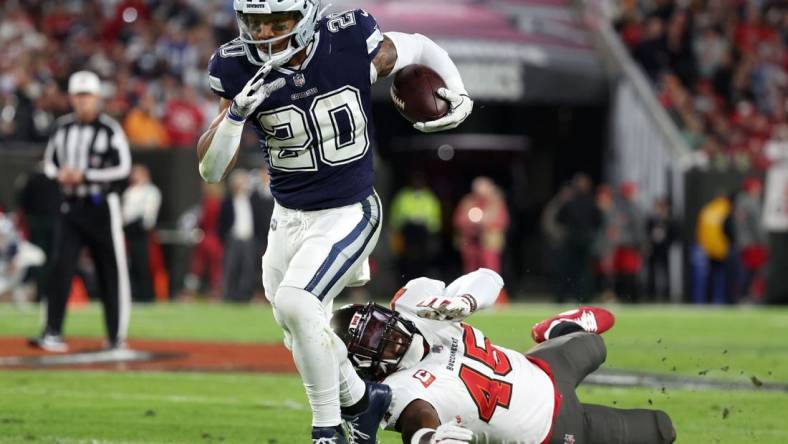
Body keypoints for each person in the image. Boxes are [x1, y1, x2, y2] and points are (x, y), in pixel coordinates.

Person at [196, 1, 474, 442]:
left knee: (297, 303)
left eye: (278, 22)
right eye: (255, 22)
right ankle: (364, 402)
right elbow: (210, 171)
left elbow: (418, 47)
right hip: (287, 216)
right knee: (298, 327)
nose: (265, 33)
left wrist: (456, 92)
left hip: (349, 208)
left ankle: (327, 429)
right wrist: (234, 117)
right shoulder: (236, 66)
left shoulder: (345, 41)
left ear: (305, 16)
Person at [331, 269, 677, 444]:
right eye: (376, 341)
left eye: (381, 323)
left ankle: (556, 330)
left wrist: (464, 300)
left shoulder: (414, 305)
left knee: (598, 340)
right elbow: (419, 422)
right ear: (365, 364)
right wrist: (429, 439)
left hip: (542, 365)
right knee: (662, 428)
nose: (391, 335)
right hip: (551, 429)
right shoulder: (400, 390)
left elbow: (489, 277)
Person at [29, 70, 132, 352]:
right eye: (78, 96)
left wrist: (85, 175)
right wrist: (60, 174)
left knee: (110, 272)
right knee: (60, 267)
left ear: (97, 98)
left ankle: (115, 336)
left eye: (87, 96)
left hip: (101, 207)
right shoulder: (62, 128)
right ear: (71, 98)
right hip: (70, 206)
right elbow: (48, 161)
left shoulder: (110, 129)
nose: (83, 102)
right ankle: (51, 331)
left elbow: (123, 168)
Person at [122, 164, 162, 303]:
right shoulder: (129, 191)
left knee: (143, 263)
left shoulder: (151, 191)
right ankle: (135, 292)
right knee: (131, 263)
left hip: (142, 231)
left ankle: (147, 294)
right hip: (129, 230)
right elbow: (125, 212)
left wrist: (144, 223)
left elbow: (150, 212)